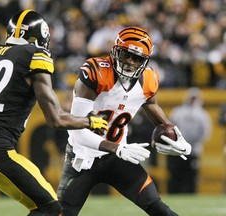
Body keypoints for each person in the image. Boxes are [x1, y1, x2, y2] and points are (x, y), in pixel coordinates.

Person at [0, 10, 108, 216]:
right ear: (40, 38)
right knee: (50, 209)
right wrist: (89, 121)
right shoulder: (35, 56)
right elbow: (56, 119)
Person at [57, 26, 192, 216]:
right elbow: (77, 131)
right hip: (83, 158)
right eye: (126, 55)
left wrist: (174, 134)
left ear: (145, 61)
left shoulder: (148, 79)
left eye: (136, 58)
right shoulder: (96, 72)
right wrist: (117, 148)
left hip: (117, 158)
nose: (130, 62)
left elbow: (152, 106)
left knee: (158, 208)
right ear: (114, 51)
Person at [167, 87, 211, 193]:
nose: (193, 100)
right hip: (176, 150)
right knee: (175, 175)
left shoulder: (203, 114)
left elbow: (205, 133)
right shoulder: (177, 112)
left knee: (191, 177)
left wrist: (191, 143)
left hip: (193, 150)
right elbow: (170, 129)